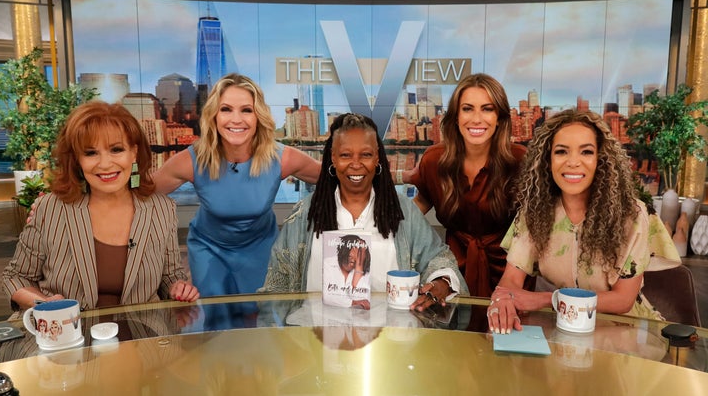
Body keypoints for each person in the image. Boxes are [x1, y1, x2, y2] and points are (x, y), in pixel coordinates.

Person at [487, 109, 680, 334]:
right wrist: (504, 300)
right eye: (561, 152)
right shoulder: (535, 213)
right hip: (564, 327)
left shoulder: (633, 215)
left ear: (601, 159)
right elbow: (511, 278)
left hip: (627, 332)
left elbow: (622, 300)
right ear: (547, 161)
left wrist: (546, 299)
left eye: (586, 152)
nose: (573, 162)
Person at [3, 101, 199, 311]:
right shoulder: (50, 208)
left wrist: (178, 287)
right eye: (90, 153)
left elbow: (170, 276)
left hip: (142, 336)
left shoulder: (162, 208)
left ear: (133, 152)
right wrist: (46, 305)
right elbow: (16, 277)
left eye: (116, 150)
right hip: (71, 337)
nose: (105, 164)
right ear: (77, 159)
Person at [260, 113, 468, 310]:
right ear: (332, 158)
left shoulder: (403, 211)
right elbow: (277, 284)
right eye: (345, 155)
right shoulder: (305, 214)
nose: (356, 164)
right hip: (316, 337)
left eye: (366, 155)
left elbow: (438, 257)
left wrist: (441, 281)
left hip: (388, 337)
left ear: (377, 157)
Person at [152, 73, 321, 297]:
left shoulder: (281, 158)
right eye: (226, 109)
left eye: (246, 110)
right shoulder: (193, 160)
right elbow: (143, 192)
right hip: (208, 249)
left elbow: (335, 176)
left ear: (258, 116)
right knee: (214, 322)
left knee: (259, 320)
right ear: (213, 115)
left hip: (261, 248)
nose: (236, 119)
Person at [403, 73, 529, 297]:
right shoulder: (434, 160)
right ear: (456, 116)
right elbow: (418, 206)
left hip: (512, 272)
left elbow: (535, 225)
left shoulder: (520, 161)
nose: (477, 119)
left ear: (499, 117)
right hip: (451, 273)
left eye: (487, 109)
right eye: (468, 109)